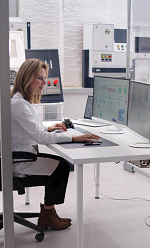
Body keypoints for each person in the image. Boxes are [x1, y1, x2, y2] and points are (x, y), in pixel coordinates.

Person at [10, 58, 100, 230]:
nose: (45, 82)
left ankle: (49, 213)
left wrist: (49, 128)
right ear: (27, 78)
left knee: (58, 165)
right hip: (18, 160)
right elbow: (41, 138)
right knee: (61, 168)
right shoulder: (19, 105)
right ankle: (48, 215)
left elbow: (33, 129)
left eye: (44, 78)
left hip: (19, 153)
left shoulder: (20, 101)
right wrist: (73, 138)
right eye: (40, 78)